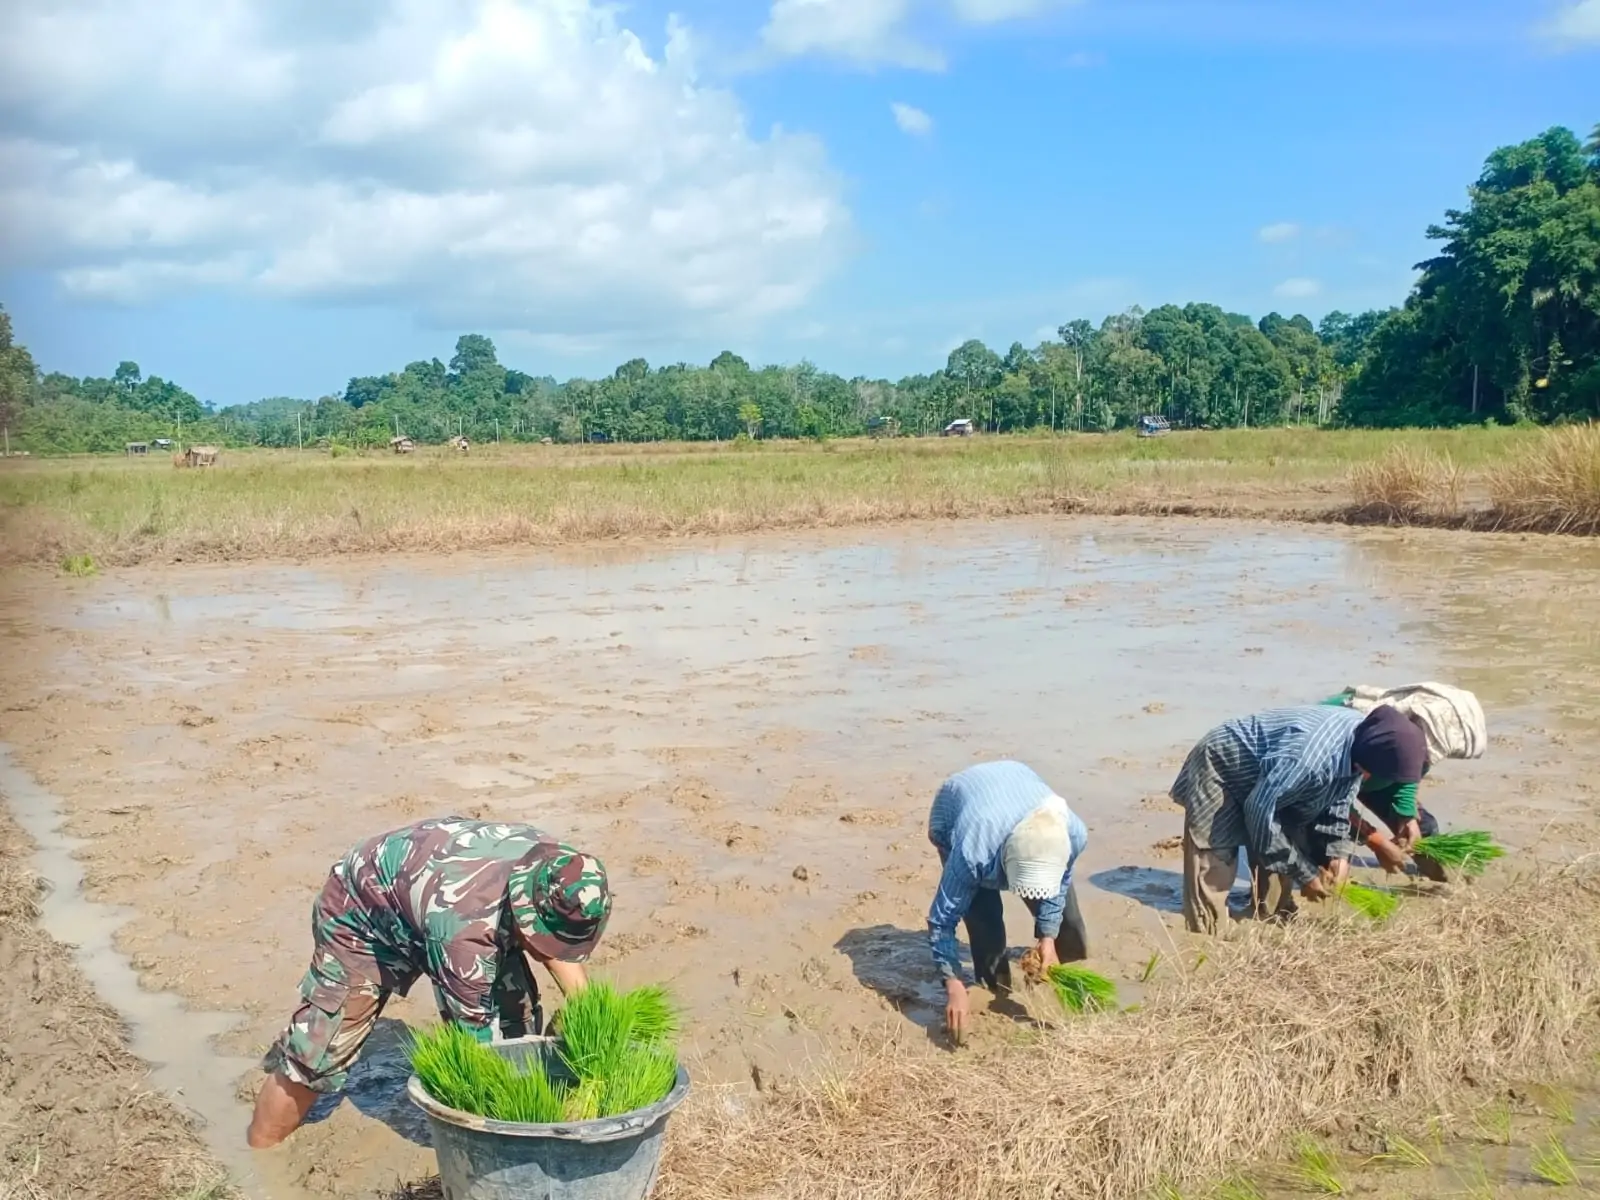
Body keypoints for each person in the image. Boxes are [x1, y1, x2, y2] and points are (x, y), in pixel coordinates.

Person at [247, 817, 611, 1149]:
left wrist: (587, 1011)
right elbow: (474, 1045)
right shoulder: (463, 935)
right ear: (524, 911)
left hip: (437, 897)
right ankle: (261, 1149)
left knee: (518, 1021)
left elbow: (556, 944)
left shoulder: (561, 868)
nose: (555, 949)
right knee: (321, 1052)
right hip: (362, 911)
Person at [1170, 704, 1428, 934]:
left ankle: (1270, 920)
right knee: (1216, 860)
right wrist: (1305, 874)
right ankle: (1205, 933)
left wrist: (1337, 856)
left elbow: (1338, 806)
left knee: (1278, 888)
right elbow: (1260, 814)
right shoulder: (1308, 761)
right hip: (1223, 764)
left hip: (1275, 778)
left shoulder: (1364, 746)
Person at [926, 761, 1089, 1043]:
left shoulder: (1072, 834)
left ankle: (1067, 974)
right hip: (958, 806)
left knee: (1068, 920)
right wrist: (953, 984)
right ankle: (995, 988)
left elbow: (1059, 886)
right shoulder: (973, 851)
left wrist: (1047, 938)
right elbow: (942, 921)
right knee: (984, 918)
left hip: (1017, 780)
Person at [1319, 683, 1488, 881]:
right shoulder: (1341, 735)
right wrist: (1375, 840)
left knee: (1424, 828)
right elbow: (1329, 802)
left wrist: (1407, 817)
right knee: (1330, 850)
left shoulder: (1414, 741)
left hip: (1374, 777)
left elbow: (1409, 778)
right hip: (1331, 778)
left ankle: (1438, 880)